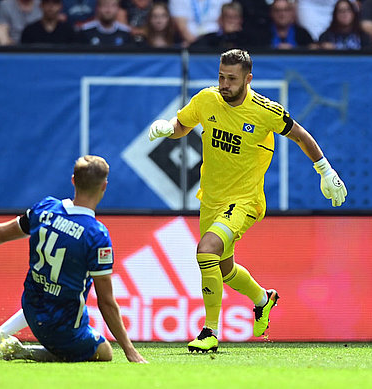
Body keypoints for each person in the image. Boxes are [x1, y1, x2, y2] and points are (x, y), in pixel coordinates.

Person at [148, 49, 347, 352]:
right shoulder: (206, 99)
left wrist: (325, 170)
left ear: (248, 79)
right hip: (211, 199)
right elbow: (182, 125)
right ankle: (263, 299)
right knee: (223, 269)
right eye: (221, 77)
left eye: (231, 79)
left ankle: (209, 331)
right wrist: (167, 128)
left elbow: (300, 134)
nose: (224, 84)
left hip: (245, 200)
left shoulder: (265, 110)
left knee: (206, 251)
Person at [0, 155, 147, 363]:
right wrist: (130, 351)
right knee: (104, 351)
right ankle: (21, 350)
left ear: (73, 180)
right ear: (104, 186)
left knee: (48, 291)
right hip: (61, 327)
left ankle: (2, 332)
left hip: (30, 309)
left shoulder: (45, 208)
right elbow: (106, 302)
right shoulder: (96, 234)